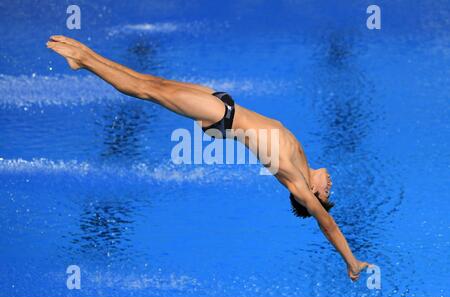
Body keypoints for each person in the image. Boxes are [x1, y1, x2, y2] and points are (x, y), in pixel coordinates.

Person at [47, 35, 371, 281]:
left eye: (327, 193)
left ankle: (84, 60)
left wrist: (351, 262)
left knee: (146, 91)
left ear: (313, 196)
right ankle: (86, 56)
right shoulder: (302, 164)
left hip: (223, 116)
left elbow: (327, 225)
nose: (330, 186)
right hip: (224, 105)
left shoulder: (298, 184)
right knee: (153, 83)